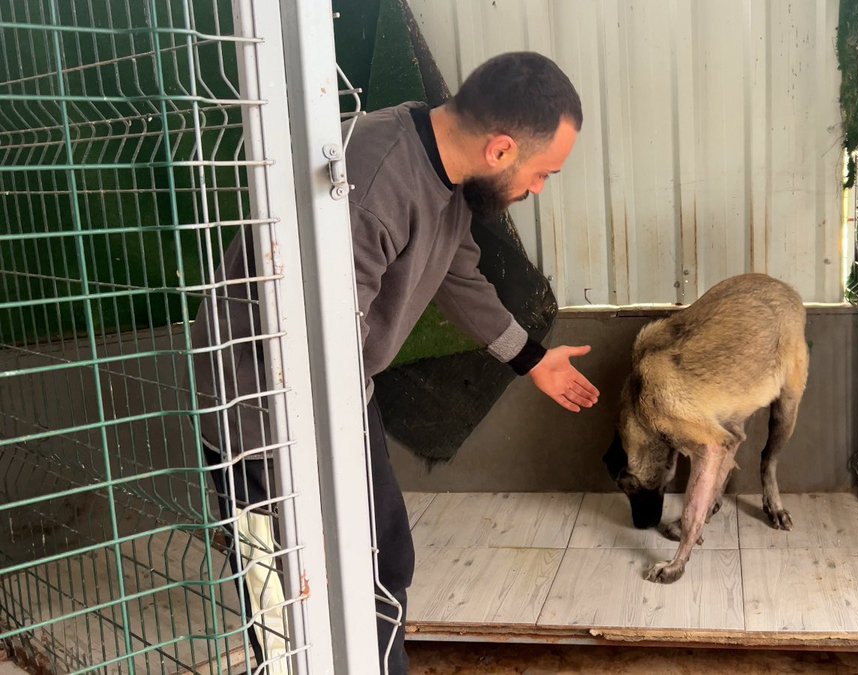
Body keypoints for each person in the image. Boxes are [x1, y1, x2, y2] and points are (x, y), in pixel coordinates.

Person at [190, 51, 599, 674]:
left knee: (381, 558)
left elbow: (458, 274)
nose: (536, 190)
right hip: (264, 410)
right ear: (501, 150)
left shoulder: (444, 172)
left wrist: (531, 359)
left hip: (338, 390)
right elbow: (309, 341)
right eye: (542, 173)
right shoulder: (372, 183)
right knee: (288, 593)